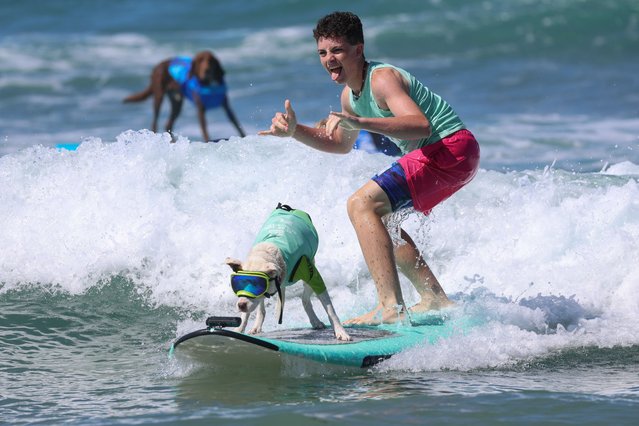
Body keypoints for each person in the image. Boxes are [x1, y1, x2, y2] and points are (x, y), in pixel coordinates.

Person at [259, 11, 480, 325]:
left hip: (450, 148)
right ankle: (434, 298)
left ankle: (390, 307)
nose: (328, 59)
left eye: (337, 50)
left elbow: (419, 125)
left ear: (358, 49)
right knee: (383, 219)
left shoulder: (382, 78)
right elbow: (339, 143)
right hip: (451, 155)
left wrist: (362, 122)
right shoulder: (349, 96)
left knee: (360, 204)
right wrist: (295, 130)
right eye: (322, 52)